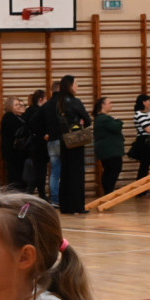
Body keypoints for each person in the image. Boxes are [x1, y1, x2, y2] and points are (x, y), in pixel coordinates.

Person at [55, 75, 92, 214]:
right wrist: (82, 122)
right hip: (76, 140)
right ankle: (78, 205)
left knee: (65, 173)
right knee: (77, 173)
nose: (78, 86)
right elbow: (87, 119)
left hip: (64, 140)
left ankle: (66, 206)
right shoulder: (75, 101)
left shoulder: (59, 102)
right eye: (76, 83)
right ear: (70, 86)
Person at [92, 97, 125, 196]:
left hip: (108, 150)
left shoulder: (103, 118)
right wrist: (118, 121)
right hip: (110, 150)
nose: (112, 104)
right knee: (112, 170)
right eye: (109, 103)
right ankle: (108, 192)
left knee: (109, 171)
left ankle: (108, 192)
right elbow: (116, 127)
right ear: (103, 105)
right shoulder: (103, 118)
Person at [23, 89, 50, 200]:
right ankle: (39, 194)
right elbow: (34, 125)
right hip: (39, 145)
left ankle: (36, 194)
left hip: (31, 146)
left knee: (36, 171)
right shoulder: (39, 111)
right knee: (40, 172)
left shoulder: (29, 111)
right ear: (41, 99)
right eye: (45, 98)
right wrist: (42, 134)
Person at [41, 81, 63, 207]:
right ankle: (65, 196)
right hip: (65, 140)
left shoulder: (47, 105)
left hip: (52, 140)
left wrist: (45, 133)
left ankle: (55, 199)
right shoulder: (64, 103)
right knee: (66, 169)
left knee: (55, 171)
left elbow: (38, 121)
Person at [0, 96, 29, 190]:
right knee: (15, 176)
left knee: (19, 175)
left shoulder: (17, 117)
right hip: (13, 152)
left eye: (19, 104)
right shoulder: (9, 116)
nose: (18, 106)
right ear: (10, 106)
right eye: (16, 105)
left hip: (17, 152)